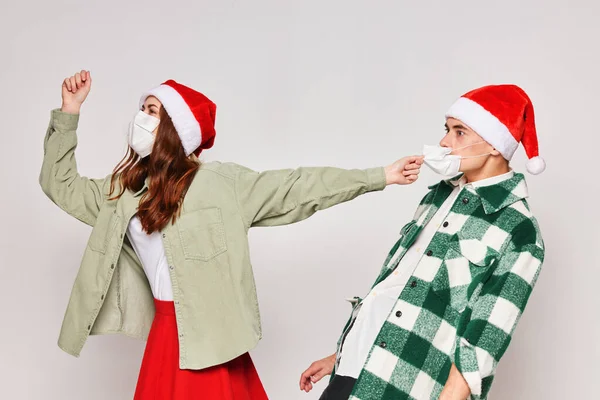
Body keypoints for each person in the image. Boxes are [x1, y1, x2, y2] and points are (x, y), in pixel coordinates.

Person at [40, 70, 424, 400]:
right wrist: (69, 111)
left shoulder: (221, 183)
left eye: (152, 111)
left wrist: (380, 176)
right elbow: (61, 185)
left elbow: (298, 186)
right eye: (142, 109)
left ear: (176, 128)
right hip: (165, 332)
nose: (141, 118)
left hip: (211, 337)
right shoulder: (125, 191)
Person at [300, 84, 546, 400]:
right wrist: (340, 358)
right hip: (355, 369)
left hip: (407, 386)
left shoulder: (519, 229)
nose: (444, 141)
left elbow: (487, 335)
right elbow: (399, 287)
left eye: (459, 132)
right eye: (447, 129)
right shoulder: (437, 195)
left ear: (495, 145)